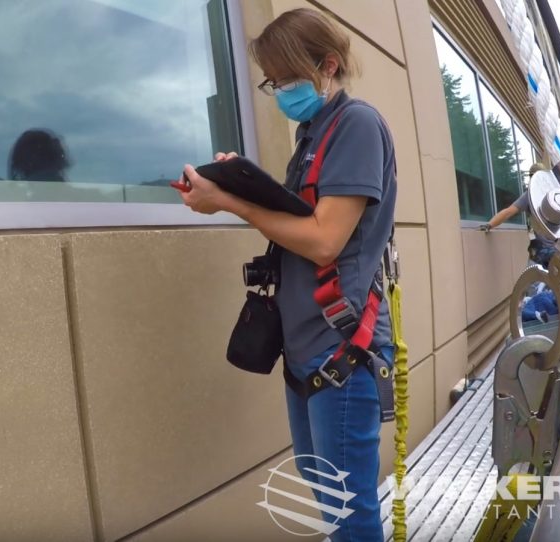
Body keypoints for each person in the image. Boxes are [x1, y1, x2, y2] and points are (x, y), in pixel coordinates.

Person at [178, 8, 396, 540]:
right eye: (273, 81)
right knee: (323, 486)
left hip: (341, 346)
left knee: (349, 512)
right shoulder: (313, 134)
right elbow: (300, 224)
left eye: (287, 78)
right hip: (305, 348)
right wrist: (246, 184)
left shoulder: (356, 125)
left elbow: (324, 240)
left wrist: (230, 200)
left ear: (329, 65)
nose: (280, 91)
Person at [480, 163, 556, 266]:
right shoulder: (553, 194)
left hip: (544, 250)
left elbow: (508, 212)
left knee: (534, 279)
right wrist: (490, 224)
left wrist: (490, 224)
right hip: (556, 249)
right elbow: (508, 212)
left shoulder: (531, 196)